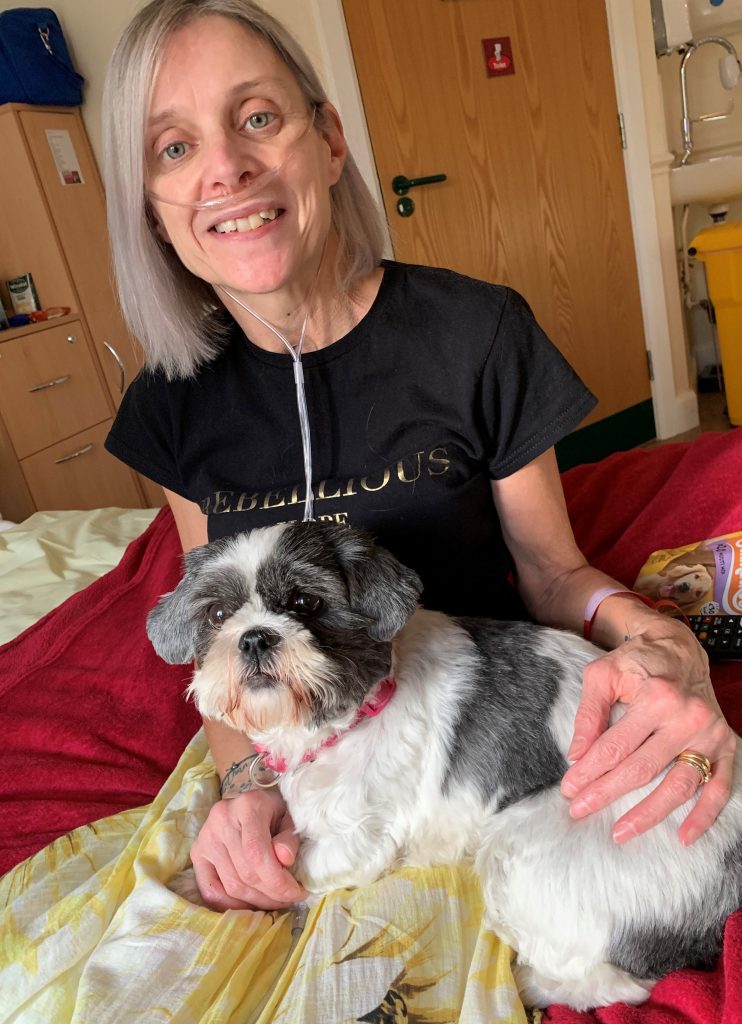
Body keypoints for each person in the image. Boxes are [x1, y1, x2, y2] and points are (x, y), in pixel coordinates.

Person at [103, 0, 735, 913]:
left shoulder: (477, 331)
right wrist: (246, 788)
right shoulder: (171, 406)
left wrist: (664, 644)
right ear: (154, 211)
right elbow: (219, 629)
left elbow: (552, 571)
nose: (226, 170)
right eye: (173, 148)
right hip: (314, 753)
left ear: (328, 141)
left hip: (473, 734)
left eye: (257, 119)